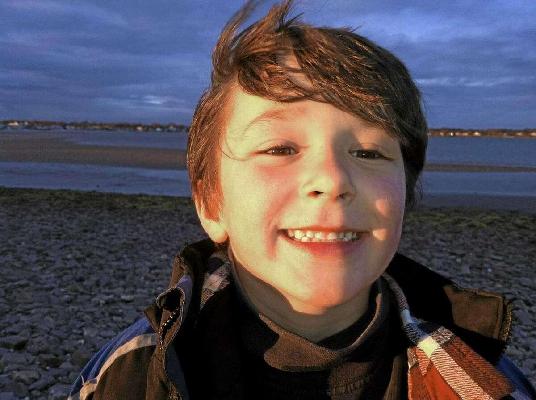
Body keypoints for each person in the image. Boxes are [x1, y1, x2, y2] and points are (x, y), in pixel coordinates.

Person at [68, 1, 535, 399]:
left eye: (368, 152)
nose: (331, 179)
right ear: (212, 204)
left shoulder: (486, 383)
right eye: (280, 149)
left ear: (404, 193)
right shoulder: (130, 377)